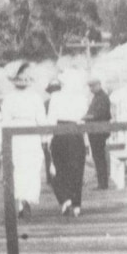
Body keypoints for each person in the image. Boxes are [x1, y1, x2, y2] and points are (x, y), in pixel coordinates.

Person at [1, 62, 47, 219]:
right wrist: (45, 138)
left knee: (18, 169)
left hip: (15, 136)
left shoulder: (8, 99)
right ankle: (26, 199)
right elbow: (42, 120)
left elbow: (5, 122)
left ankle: (21, 202)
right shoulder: (35, 98)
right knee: (32, 169)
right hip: (31, 134)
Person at [46, 70, 89, 216]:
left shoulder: (56, 97)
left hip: (60, 133)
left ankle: (64, 199)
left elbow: (51, 118)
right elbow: (83, 117)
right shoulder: (82, 97)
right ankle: (76, 204)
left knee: (59, 170)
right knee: (77, 170)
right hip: (76, 133)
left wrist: (48, 139)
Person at [84, 75, 112, 190]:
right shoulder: (97, 97)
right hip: (95, 131)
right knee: (98, 157)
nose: (91, 89)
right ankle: (101, 182)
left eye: (93, 86)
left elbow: (99, 114)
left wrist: (87, 116)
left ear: (99, 85)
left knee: (99, 157)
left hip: (99, 131)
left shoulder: (103, 97)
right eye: (90, 87)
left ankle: (103, 183)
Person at [43, 79, 61, 183]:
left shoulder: (47, 103)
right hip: (51, 132)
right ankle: (51, 178)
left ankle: (54, 178)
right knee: (49, 155)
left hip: (59, 132)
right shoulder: (46, 104)